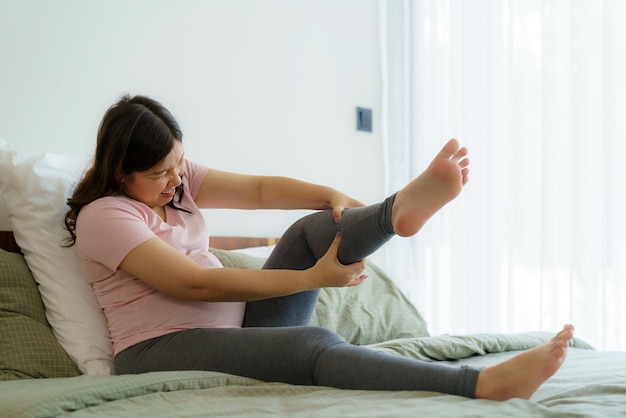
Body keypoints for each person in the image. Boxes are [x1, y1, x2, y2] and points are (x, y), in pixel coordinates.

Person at [64, 94, 574, 401]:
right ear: (119, 172)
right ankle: (480, 385)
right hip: (161, 349)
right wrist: (311, 279)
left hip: (237, 331)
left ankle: (393, 213)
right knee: (310, 344)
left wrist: (327, 194)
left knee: (311, 230)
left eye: (180, 163)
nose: (177, 180)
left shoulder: (175, 182)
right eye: (160, 173)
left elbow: (260, 191)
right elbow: (194, 282)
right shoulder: (105, 217)